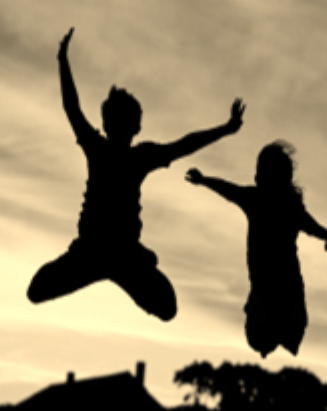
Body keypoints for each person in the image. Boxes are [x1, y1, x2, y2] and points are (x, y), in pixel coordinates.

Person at [27, 28, 245, 320]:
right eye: (118, 123)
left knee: (168, 309)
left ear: (134, 127)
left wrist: (226, 129)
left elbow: (184, 145)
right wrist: (62, 61)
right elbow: (72, 108)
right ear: (111, 125)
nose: (121, 131)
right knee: (35, 291)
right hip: (91, 252)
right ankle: (117, 268)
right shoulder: (104, 149)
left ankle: (129, 267)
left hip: (123, 255)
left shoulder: (131, 155)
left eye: (125, 124)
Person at [186, 141, 327, 358]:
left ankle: (280, 336)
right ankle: (273, 338)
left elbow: (311, 225)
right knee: (262, 336)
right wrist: (204, 180)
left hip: (284, 286)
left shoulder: (282, 204)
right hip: (268, 287)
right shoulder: (258, 199)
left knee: (286, 329)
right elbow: (228, 189)